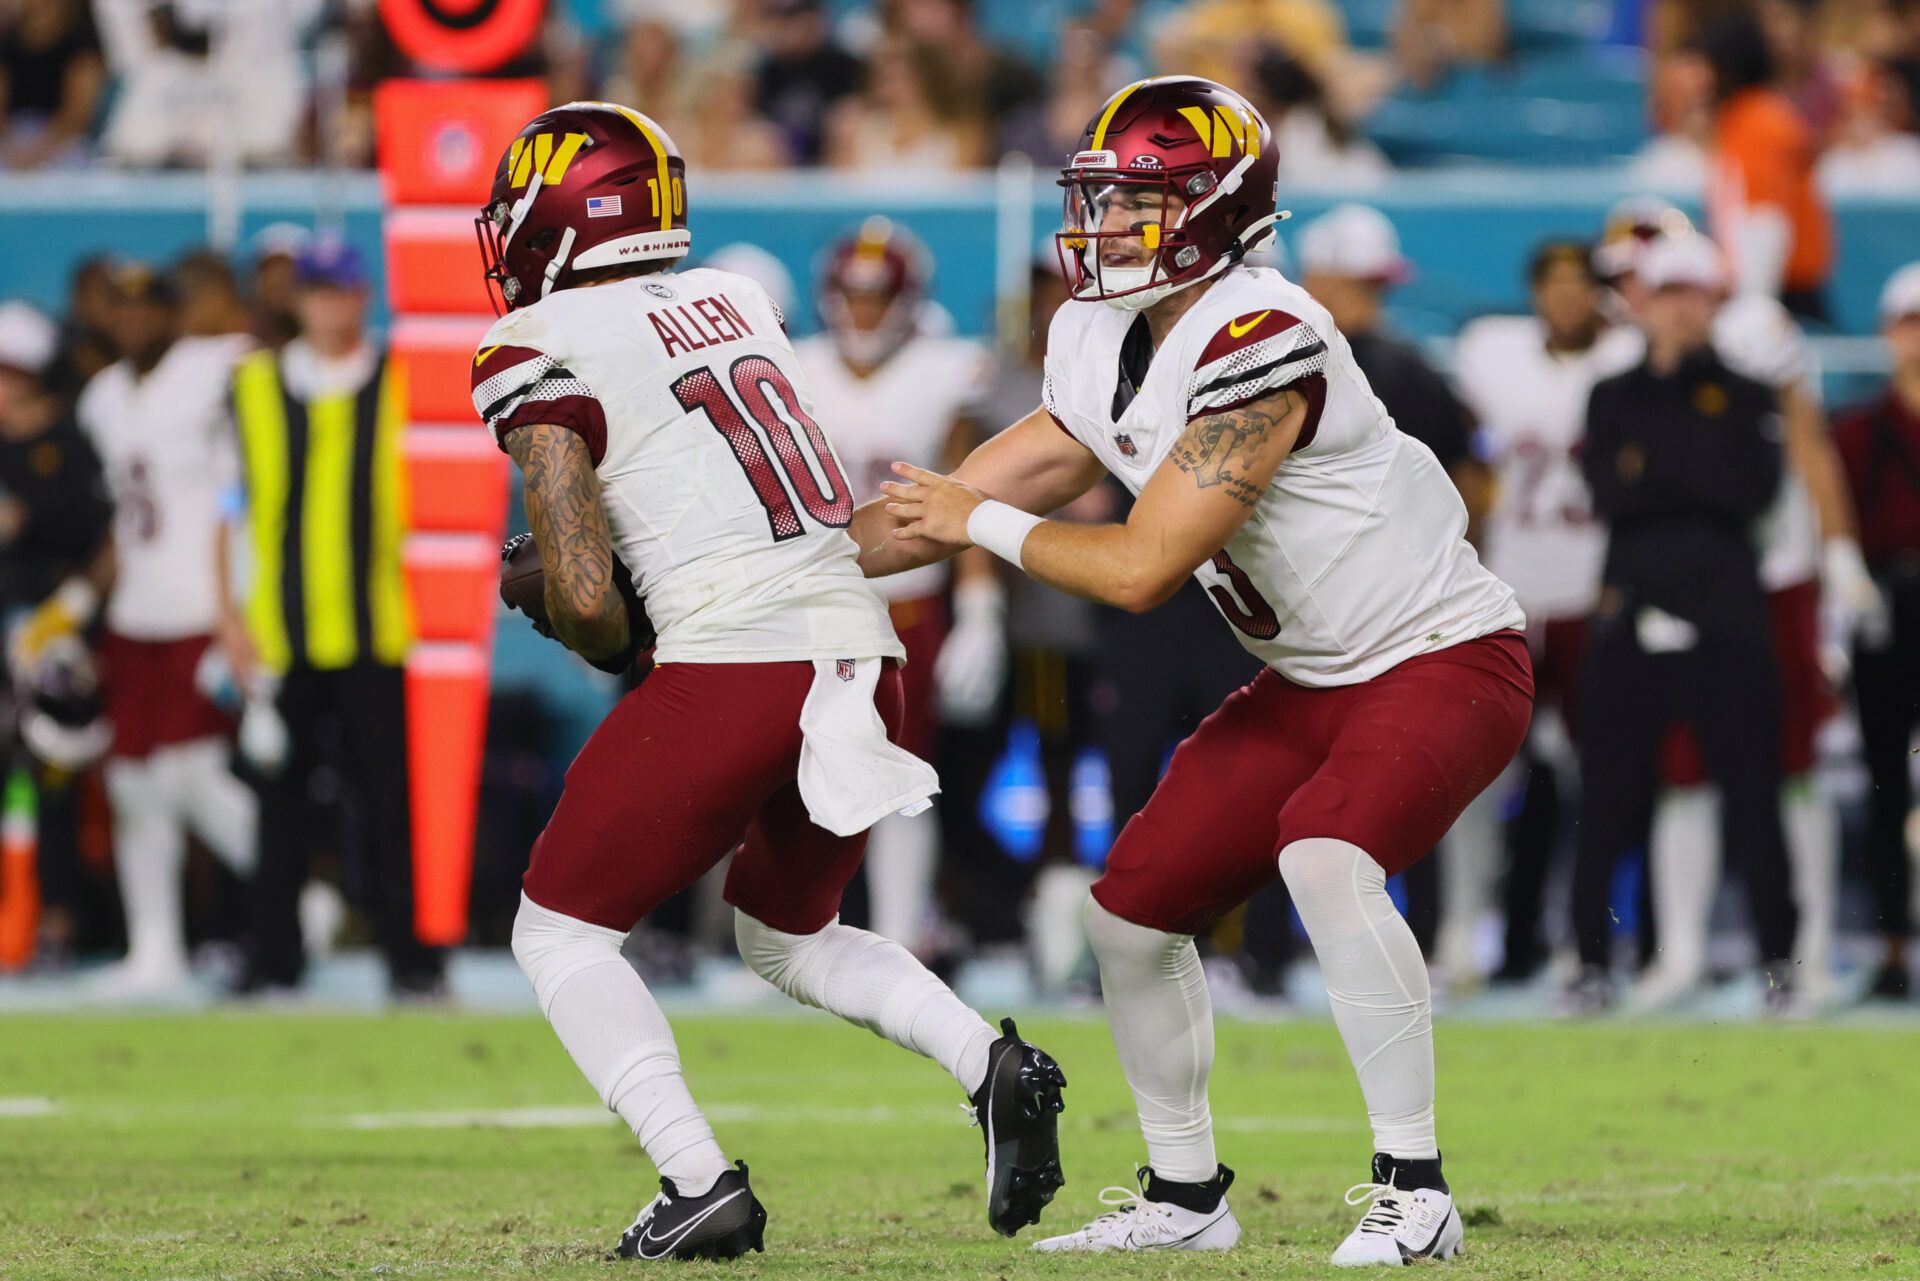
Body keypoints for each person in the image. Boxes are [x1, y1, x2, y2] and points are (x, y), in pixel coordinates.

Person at [865, 76, 1531, 1265]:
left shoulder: (1263, 335)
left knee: (1326, 856)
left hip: (1441, 655)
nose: (1108, 226)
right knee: (1127, 913)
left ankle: (1415, 1190)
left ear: (1218, 211)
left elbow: (1138, 568)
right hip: (1311, 675)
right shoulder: (1098, 333)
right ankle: (1185, 1196)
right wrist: (756, 569)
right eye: (1105, 200)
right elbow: (950, 503)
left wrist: (972, 525)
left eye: (1139, 202)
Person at [470, 101, 1065, 1259]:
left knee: (559, 934)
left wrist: (599, 634)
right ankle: (989, 1062)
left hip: (736, 658)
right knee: (786, 935)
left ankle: (695, 1180)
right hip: (861, 638)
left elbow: (589, 594)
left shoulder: (532, 345)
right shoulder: (732, 300)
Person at [1567, 232, 1798, 1014]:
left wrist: (1654, 468)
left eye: (1698, 293)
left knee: (1752, 791)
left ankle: (1781, 964)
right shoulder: (1613, 394)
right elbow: (1610, 488)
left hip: (1726, 611)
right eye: (1670, 292)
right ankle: (1591, 964)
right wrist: (1690, 471)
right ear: (1647, 301)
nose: (1684, 307)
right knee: (1608, 793)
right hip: (1634, 606)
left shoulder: (1746, 392)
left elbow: (1750, 493)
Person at [226, 238, 438, 998]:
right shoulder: (251, 385)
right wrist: (230, 618)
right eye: (315, 290)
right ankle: (272, 956)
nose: (328, 304)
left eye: (340, 288)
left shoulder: (404, 378)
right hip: (281, 631)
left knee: (391, 801)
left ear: (362, 294)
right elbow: (230, 508)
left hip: (382, 626)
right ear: (297, 299)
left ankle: (412, 957)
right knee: (277, 807)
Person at [792, 218, 1004, 952]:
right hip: (808, 604)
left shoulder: (942, 372)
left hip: (904, 609)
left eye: (878, 299)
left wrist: (979, 611)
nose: (862, 314)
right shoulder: (795, 365)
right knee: (792, 777)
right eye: (852, 298)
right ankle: (792, 933)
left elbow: (965, 495)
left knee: (903, 782)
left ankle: (896, 939)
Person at [1296, 202, 1493, 973]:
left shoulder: (1395, 367)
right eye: (1362, 284)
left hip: (1359, 606)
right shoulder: (1398, 366)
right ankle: (1398, 938)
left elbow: (1470, 481)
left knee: (1385, 780)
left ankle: (1408, 937)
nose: (1372, 303)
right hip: (1365, 602)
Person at [1453, 240, 1644, 983]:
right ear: (1533, 291)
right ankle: (1472, 926)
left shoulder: (1627, 359)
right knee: (1481, 770)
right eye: (1553, 283)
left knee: (1596, 775)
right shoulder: (1493, 355)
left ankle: (1583, 935)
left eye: (1579, 284)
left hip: (1592, 590)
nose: (1566, 299)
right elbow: (1468, 466)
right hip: (1508, 590)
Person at [74, 264, 257, 994]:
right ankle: (155, 948)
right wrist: (79, 601)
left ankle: (291, 897)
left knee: (193, 776)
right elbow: (125, 516)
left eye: (147, 306)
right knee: (130, 784)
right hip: (135, 610)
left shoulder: (213, 368)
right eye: (121, 307)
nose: (133, 320)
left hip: (200, 604)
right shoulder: (102, 399)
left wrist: (235, 610)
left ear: (173, 313)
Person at [0, 300, 114, 964]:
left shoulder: (66, 442)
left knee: (54, 778)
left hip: (51, 633)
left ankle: (60, 921)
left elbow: (99, 536)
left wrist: (69, 608)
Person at [1831, 261, 1920, 1002]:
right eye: (1910, 323)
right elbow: (1840, 523)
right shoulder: (1859, 429)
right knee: (1886, 784)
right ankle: (1891, 945)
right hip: (1886, 611)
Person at [1696, 12, 1835, 319]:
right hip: (1773, 291)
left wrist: (1753, 310)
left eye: (1703, 65)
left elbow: (1765, 222)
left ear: (1725, 66)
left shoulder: (1757, 122)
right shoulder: (1748, 117)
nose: (1697, 78)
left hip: (1782, 296)